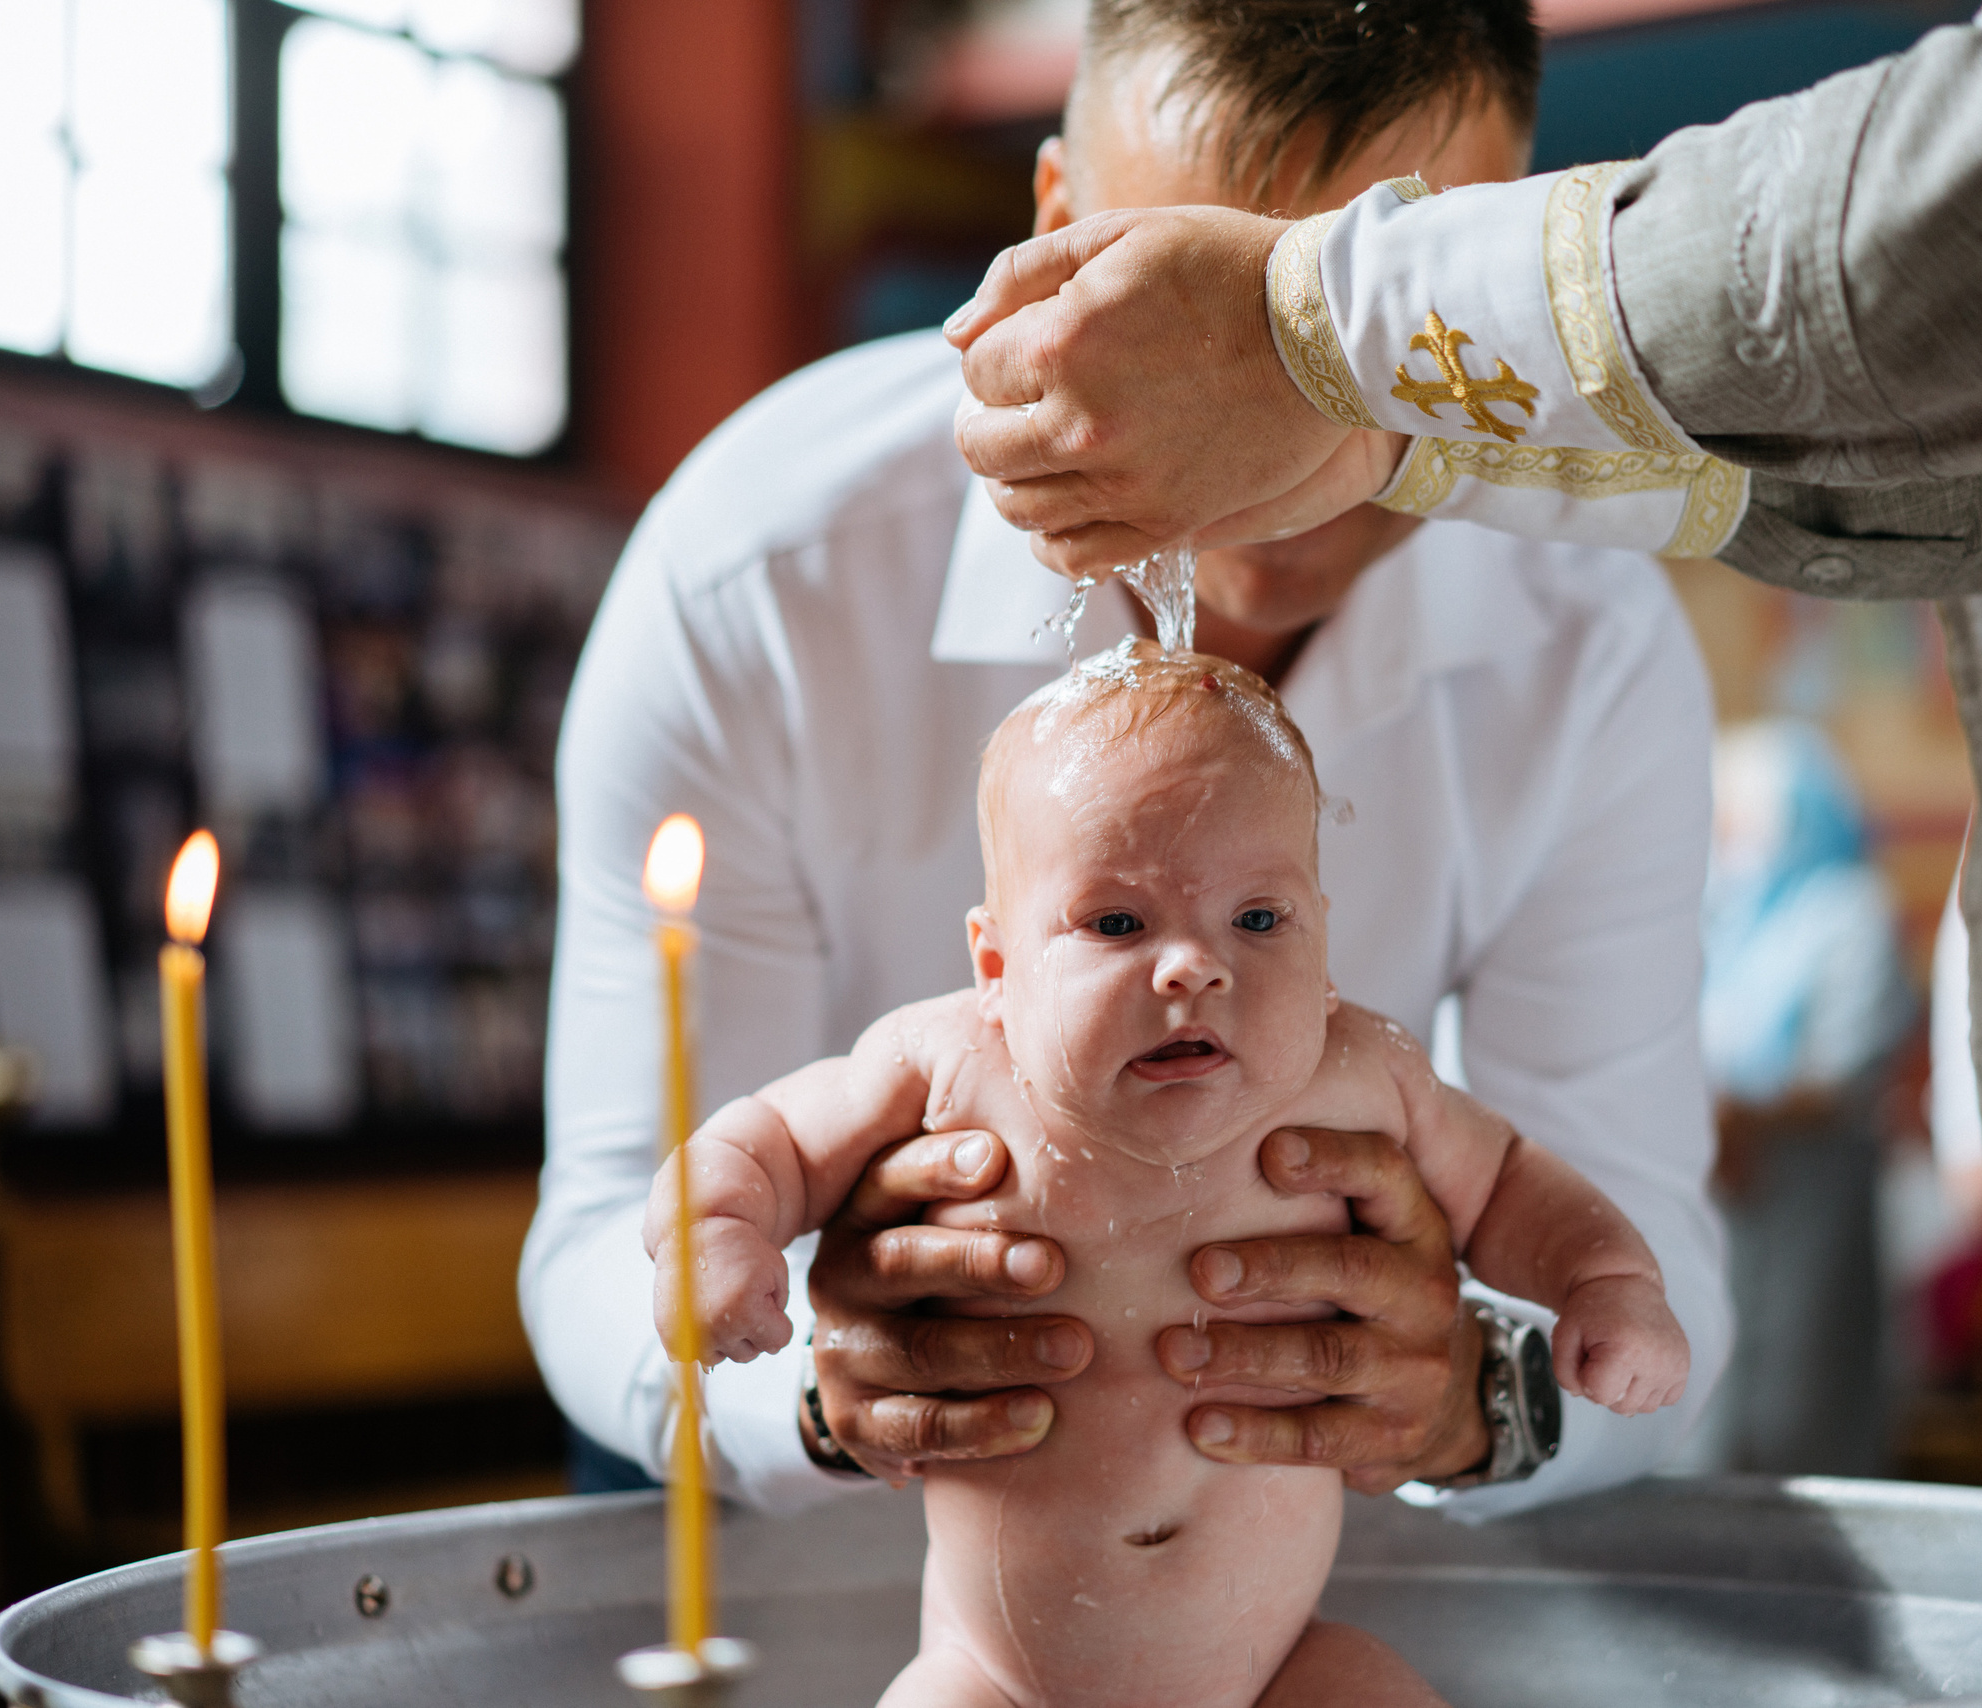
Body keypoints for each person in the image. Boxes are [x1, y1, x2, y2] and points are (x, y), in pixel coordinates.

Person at [521, 0, 1729, 1545]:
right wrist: (818, 1387)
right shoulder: (759, 579)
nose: (1276, 460)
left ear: (1495, 284)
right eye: (1186, 319)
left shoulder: (1591, 640)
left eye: (1372, 336)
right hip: (778, 1553)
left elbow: (1653, 1276)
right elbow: (612, 1242)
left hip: (1280, 1567)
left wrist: (1483, 1397)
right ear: (1046, 240)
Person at [653, 648, 1686, 1707]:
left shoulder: (1359, 1073)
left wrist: (1606, 1283)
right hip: (998, 1677)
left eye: (1256, 918)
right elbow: (757, 1140)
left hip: (1276, 1668)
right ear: (996, 967)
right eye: (1116, 923)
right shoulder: (947, 1064)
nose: (1194, 965)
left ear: (1322, 942)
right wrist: (719, 1234)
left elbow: (1511, 1180)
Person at [940, 8, 1982, 598]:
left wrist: (1321, 336)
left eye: (1417, 231)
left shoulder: (1574, 602)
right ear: (1055, 224)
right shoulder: (780, 555)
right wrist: (1379, 398)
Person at [1686, 718, 1911, 1476]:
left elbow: (1842, 1073)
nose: (1735, 838)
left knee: (1809, 1384)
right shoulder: (1731, 918)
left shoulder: (1851, 910)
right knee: (1726, 1392)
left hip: (1815, 1185)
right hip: (1732, 1181)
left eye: (1750, 820)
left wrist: (1741, 1113)